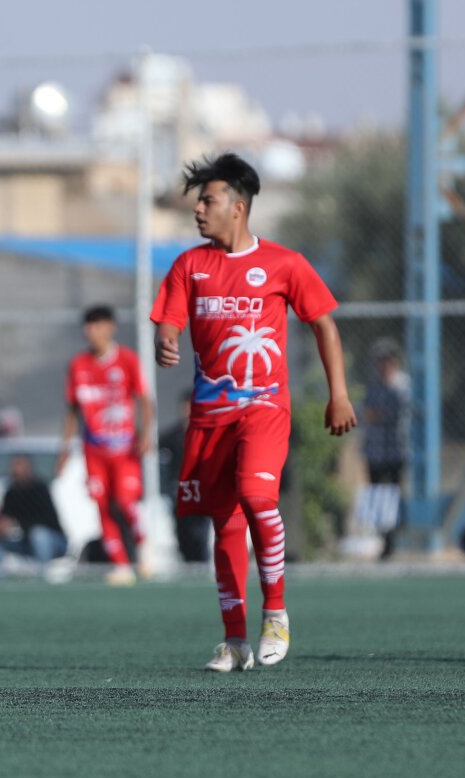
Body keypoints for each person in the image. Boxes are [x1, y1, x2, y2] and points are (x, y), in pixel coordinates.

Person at [151, 152, 357, 672]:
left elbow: (324, 324)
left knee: (257, 496)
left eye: (208, 200)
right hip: (209, 416)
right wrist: (166, 339)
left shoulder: (285, 263)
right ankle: (235, 641)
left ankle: (277, 614)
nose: (199, 209)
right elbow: (169, 319)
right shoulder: (189, 266)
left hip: (264, 408)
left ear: (238, 208)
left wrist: (338, 394)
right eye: (198, 201)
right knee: (225, 524)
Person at [55, 305, 153, 586]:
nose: (92, 332)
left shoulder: (127, 360)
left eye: (98, 325)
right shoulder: (78, 365)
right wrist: (65, 450)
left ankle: (143, 545)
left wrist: (146, 433)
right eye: (88, 326)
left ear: (111, 327)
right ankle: (120, 565)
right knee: (101, 505)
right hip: (94, 450)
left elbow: (144, 399)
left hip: (124, 449)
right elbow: (72, 410)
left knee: (125, 500)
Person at [359, 338, 409, 560]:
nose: (383, 366)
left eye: (387, 361)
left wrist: (375, 414)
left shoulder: (402, 386)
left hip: (395, 451)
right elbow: (365, 412)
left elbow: (391, 414)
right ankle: (381, 540)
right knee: (377, 495)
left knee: (394, 494)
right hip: (375, 452)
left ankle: (392, 540)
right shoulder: (373, 386)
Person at [0, 454, 68, 579]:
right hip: (25, 541)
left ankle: (43, 576)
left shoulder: (39, 489)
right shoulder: (11, 492)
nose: (15, 470)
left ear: (28, 468)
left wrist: (16, 524)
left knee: (39, 535)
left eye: (19, 466)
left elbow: (46, 520)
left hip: (53, 541)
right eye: (13, 466)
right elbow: (7, 519)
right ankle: (0, 579)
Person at [158, 390, 211, 563]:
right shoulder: (170, 439)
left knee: (199, 536)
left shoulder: (208, 436)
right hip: (179, 496)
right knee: (183, 537)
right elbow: (164, 467)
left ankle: (201, 565)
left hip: (202, 497)